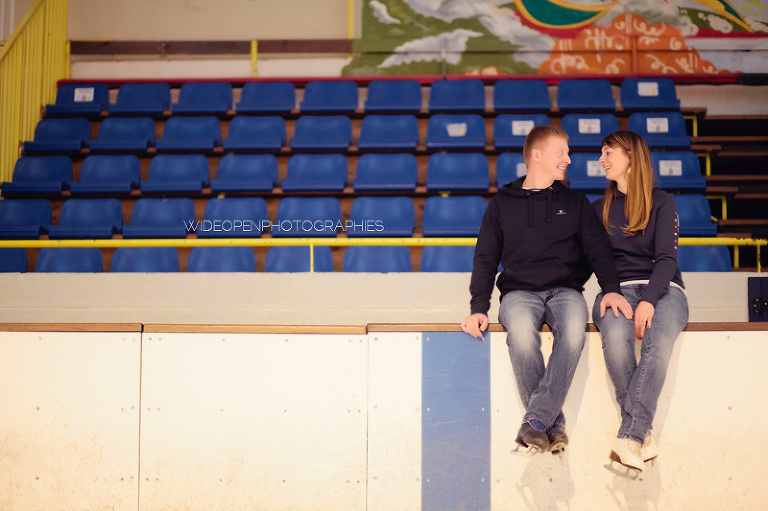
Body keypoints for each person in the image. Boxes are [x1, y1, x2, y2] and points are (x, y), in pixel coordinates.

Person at [461, 125, 632, 455]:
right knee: (522, 337)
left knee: (573, 333)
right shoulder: (502, 204)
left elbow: (598, 250)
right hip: (518, 293)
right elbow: (485, 257)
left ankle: (536, 421)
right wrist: (478, 306)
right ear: (536, 155)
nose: (568, 159)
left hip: (565, 292)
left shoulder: (576, 203)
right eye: (561, 153)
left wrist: (611, 289)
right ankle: (551, 424)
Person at [592, 130, 689, 472]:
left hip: (664, 290)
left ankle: (630, 435)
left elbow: (667, 260)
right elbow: (589, 260)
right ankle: (639, 435)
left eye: (608, 152)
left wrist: (648, 300)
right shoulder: (598, 209)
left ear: (630, 156)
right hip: (616, 291)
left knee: (657, 345)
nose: (601, 159)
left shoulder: (662, 202)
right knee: (617, 341)